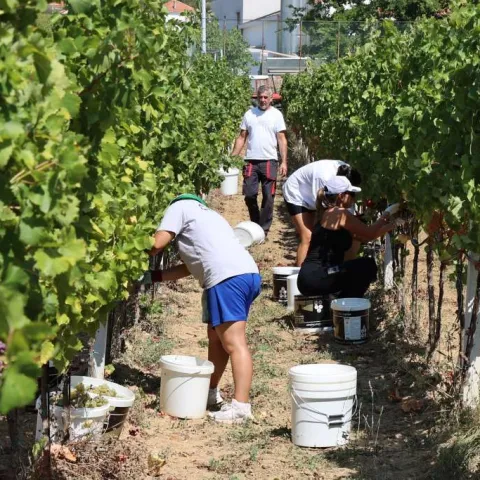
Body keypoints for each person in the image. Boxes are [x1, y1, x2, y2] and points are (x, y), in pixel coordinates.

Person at [143, 194, 261, 424]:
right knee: (216, 338)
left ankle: (240, 407)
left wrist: (127, 249)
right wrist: (151, 277)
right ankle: (209, 392)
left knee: (235, 343)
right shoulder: (210, 217)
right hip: (245, 274)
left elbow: (157, 244)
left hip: (226, 278)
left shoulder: (179, 207)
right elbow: (190, 267)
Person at [297, 176, 396, 299]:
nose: (355, 198)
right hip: (317, 276)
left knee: (360, 267)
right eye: (352, 194)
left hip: (311, 277)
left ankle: (340, 306)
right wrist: (387, 213)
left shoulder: (327, 213)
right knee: (367, 266)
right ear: (341, 196)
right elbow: (370, 232)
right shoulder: (338, 213)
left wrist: (391, 226)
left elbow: (366, 238)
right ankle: (347, 309)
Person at [231, 85, 288, 236]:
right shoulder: (249, 114)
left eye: (265, 97)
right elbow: (242, 137)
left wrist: (284, 161)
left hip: (270, 160)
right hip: (251, 161)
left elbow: (282, 140)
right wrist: (232, 158)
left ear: (271, 99)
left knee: (269, 197)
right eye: (260, 97)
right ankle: (255, 224)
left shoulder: (277, 115)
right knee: (249, 195)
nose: (262, 100)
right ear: (256, 98)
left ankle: (264, 229)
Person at [283, 160, 362, 266]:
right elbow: (323, 206)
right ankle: (299, 277)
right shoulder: (323, 177)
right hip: (297, 194)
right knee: (308, 237)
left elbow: (345, 209)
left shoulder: (347, 172)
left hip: (314, 193)